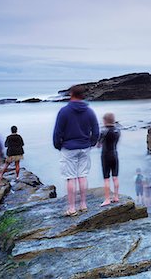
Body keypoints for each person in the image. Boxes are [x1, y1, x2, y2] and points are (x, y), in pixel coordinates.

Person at [53, 85, 99, 216]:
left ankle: (72, 208)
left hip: (68, 148)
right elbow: (96, 131)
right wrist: (91, 143)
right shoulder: (89, 111)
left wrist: (58, 145)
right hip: (84, 147)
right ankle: (83, 204)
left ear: (72, 94)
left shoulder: (64, 111)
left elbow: (58, 132)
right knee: (83, 176)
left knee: (70, 178)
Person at [97, 113, 121, 206]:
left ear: (105, 121)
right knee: (115, 177)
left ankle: (107, 199)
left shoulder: (104, 131)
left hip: (106, 155)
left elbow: (98, 144)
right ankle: (116, 197)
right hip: (115, 154)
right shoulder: (117, 130)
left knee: (106, 179)